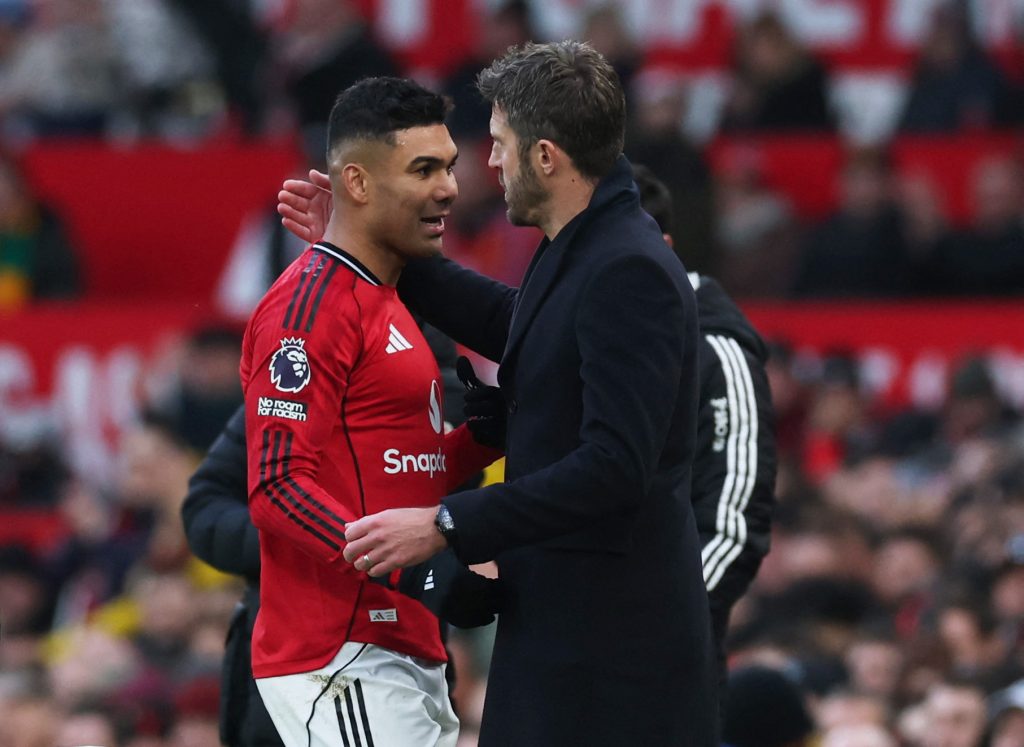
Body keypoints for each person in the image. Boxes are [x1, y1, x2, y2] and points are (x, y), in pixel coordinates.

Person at [280, 41, 719, 745]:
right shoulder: (589, 243)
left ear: (545, 156)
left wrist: (447, 523)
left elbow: (615, 465)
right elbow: (521, 325)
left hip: (612, 662)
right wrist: (377, 247)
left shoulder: (626, 268)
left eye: (500, 144)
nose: (489, 164)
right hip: (572, 633)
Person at [239, 76, 501, 746]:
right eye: (423, 169)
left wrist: (481, 439)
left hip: (398, 644)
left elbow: (398, 468)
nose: (448, 188)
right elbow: (276, 486)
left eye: (449, 167)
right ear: (355, 182)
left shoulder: (389, 301)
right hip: (341, 651)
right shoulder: (308, 308)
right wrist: (414, 569)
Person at [181, 322, 486, 747]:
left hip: (393, 641)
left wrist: (332, 535)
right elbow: (204, 506)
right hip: (285, 649)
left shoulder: (424, 360)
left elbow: (456, 489)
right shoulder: (299, 364)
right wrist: (300, 539)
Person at [633, 164, 776, 657]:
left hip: (659, 656)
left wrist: (655, 624)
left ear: (662, 248)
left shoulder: (716, 352)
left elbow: (733, 527)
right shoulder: (581, 340)